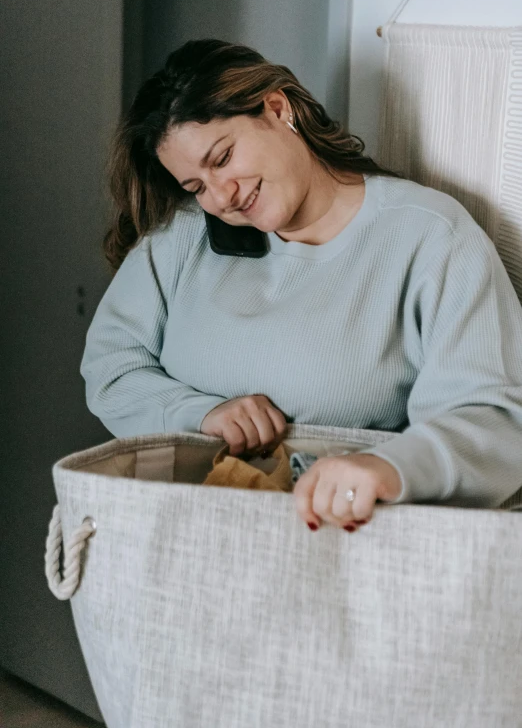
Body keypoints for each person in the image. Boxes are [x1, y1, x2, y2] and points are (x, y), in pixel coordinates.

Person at [80, 39, 522, 534]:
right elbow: (112, 369)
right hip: (191, 549)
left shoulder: (429, 236)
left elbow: (495, 418)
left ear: (276, 108)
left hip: (345, 544)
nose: (222, 196)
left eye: (223, 157)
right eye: (196, 187)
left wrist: (387, 468)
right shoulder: (185, 236)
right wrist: (200, 414)